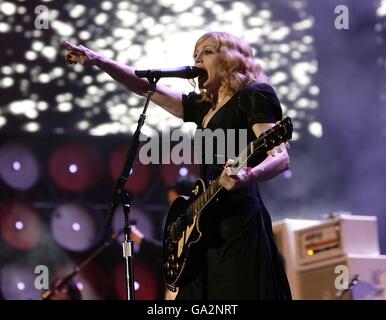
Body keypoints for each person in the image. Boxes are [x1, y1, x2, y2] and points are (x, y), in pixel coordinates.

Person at [63, 31, 292, 300]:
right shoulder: (203, 108)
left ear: (230, 58)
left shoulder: (254, 95)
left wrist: (247, 174)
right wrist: (99, 60)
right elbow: (146, 87)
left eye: (207, 52)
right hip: (202, 228)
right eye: (195, 54)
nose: (197, 59)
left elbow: (281, 157)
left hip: (237, 224)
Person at [129, 175, 197, 300]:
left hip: (190, 285)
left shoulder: (193, 222)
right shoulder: (177, 221)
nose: (172, 207)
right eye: (170, 203)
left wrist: (141, 241)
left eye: (174, 202)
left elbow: (170, 250)